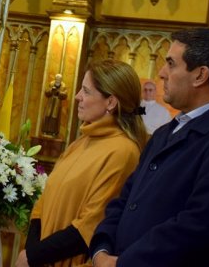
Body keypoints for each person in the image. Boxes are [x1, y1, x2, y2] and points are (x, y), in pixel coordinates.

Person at [90, 28, 209, 267]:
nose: (161, 73)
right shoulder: (164, 133)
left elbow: (201, 225)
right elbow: (125, 200)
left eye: (171, 64)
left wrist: (125, 262)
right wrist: (101, 248)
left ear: (200, 75)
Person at [15, 59, 148, 267]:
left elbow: (91, 225)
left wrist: (34, 256)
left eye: (86, 91)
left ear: (111, 103)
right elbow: (42, 205)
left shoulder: (123, 152)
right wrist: (32, 254)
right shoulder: (80, 142)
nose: (77, 97)